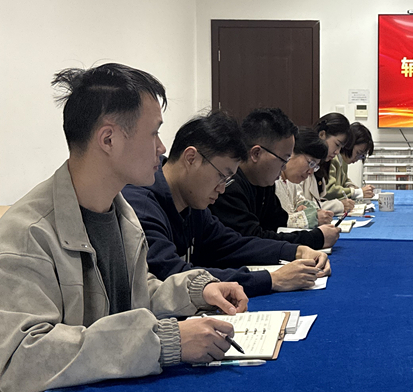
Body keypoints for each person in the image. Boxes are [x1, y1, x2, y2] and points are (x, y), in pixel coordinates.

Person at [0, 64, 248, 392]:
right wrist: (163, 340)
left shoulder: (121, 215)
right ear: (108, 139)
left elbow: (132, 296)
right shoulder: (26, 234)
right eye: (154, 133)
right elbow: (22, 359)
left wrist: (195, 291)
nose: (161, 148)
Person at [123, 112, 330, 299]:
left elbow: (232, 244)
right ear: (191, 158)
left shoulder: (192, 203)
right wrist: (272, 279)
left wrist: (296, 251)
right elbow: (173, 275)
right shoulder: (141, 207)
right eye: (221, 176)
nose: (222, 189)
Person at [210, 108, 340, 250]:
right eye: (283, 160)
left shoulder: (263, 182)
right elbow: (252, 240)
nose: (284, 168)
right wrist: (314, 239)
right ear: (256, 153)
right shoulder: (228, 187)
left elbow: (277, 223)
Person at [275, 127, 334, 229]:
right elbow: (272, 221)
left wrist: (304, 207)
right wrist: (309, 218)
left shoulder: (291, 181)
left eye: (315, 167)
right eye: (311, 163)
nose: (310, 172)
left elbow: (299, 200)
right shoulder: (271, 180)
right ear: (291, 152)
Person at [303, 112, 354, 214]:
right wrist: (338, 205)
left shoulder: (323, 164)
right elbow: (303, 206)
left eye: (341, 148)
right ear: (322, 134)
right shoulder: (302, 163)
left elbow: (317, 201)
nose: (337, 152)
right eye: (337, 144)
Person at [326, 122, 375, 200]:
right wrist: (357, 192)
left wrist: (351, 186)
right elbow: (329, 190)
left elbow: (344, 180)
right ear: (349, 144)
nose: (358, 158)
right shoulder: (331, 159)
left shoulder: (343, 160)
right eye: (358, 153)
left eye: (362, 156)